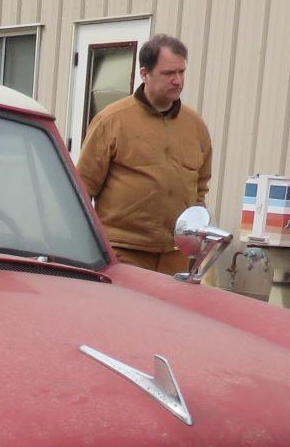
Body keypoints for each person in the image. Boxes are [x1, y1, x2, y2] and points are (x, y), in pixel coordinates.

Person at [75, 34, 213, 273]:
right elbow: (83, 188)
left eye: (181, 72)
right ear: (145, 74)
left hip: (175, 254)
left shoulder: (195, 126)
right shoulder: (112, 121)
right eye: (169, 73)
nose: (177, 81)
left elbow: (200, 186)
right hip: (123, 253)